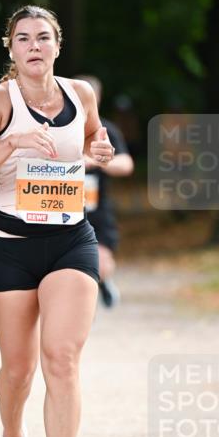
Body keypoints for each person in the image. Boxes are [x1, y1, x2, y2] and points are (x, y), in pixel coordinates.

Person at [0, 5, 115, 437]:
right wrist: (13, 141)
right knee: (19, 369)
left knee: (62, 356)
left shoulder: (80, 94)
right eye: (23, 38)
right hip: (10, 248)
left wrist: (101, 146)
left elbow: (93, 136)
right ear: (10, 47)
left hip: (71, 239)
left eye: (43, 37)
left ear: (57, 45)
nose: (34, 46)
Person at [80, 77, 135, 307]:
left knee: (101, 264)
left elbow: (126, 164)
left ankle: (103, 282)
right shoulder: (57, 126)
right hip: (59, 206)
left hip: (96, 208)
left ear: (97, 98)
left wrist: (99, 163)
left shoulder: (105, 129)